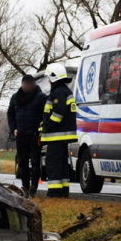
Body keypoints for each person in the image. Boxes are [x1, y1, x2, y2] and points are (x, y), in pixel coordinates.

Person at [41, 63, 77, 198]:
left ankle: (55, 193)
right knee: (62, 165)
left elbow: (58, 113)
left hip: (55, 137)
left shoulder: (58, 93)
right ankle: (63, 192)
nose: (48, 80)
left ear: (53, 77)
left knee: (53, 165)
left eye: (49, 78)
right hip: (61, 137)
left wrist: (47, 126)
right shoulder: (65, 91)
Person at [8, 74, 47, 197]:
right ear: (22, 85)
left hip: (35, 136)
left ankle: (33, 188)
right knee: (22, 163)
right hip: (21, 135)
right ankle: (25, 187)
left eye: (29, 85)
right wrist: (13, 128)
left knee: (35, 162)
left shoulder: (40, 97)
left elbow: (46, 115)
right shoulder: (15, 97)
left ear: (33, 85)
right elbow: (10, 114)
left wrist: (40, 130)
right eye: (25, 85)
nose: (27, 87)